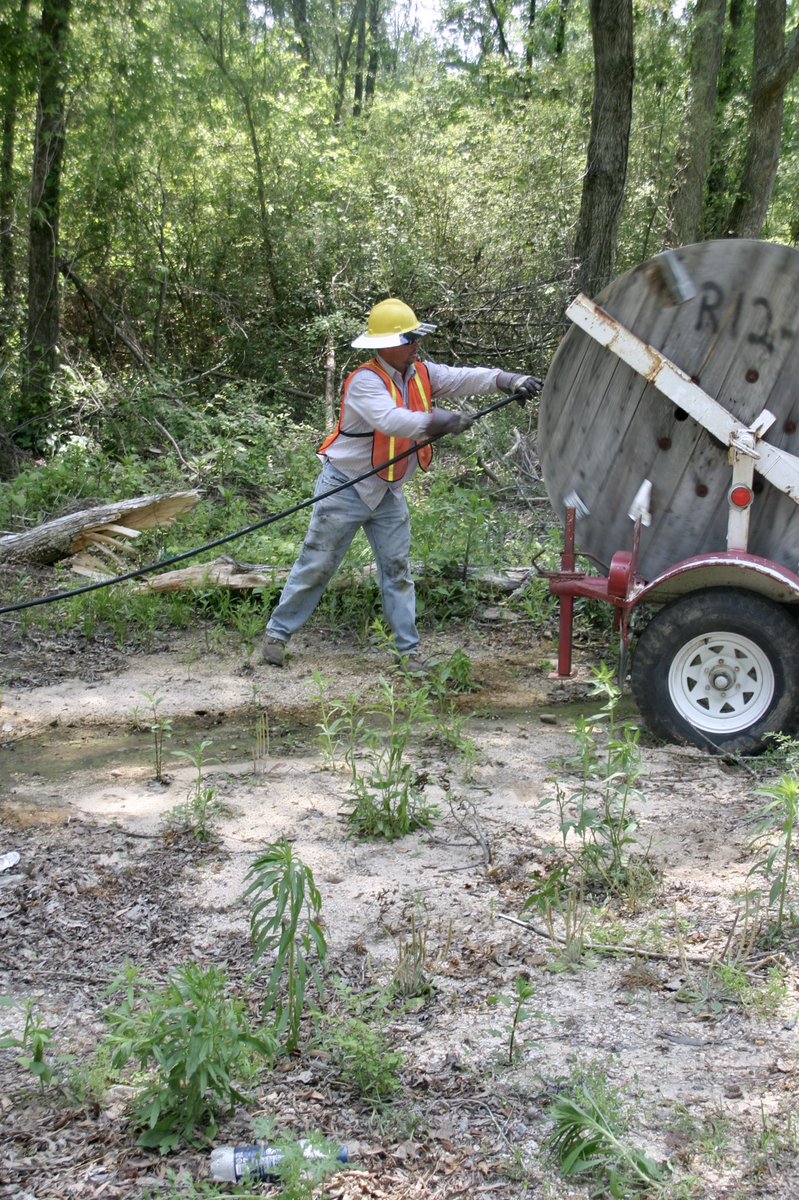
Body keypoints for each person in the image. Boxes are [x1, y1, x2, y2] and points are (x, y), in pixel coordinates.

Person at [263, 298, 541, 668]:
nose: (416, 345)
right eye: (408, 339)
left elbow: (464, 377)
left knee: (397, 571)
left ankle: (408, 653)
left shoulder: (421, 373)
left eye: (415, 337)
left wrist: (508, 380)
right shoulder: (365, 382)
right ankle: (277, 635)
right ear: (386, 345)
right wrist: (438, 421)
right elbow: (391, 420)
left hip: (389, 492)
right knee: (317, 563)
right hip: (346, 487)